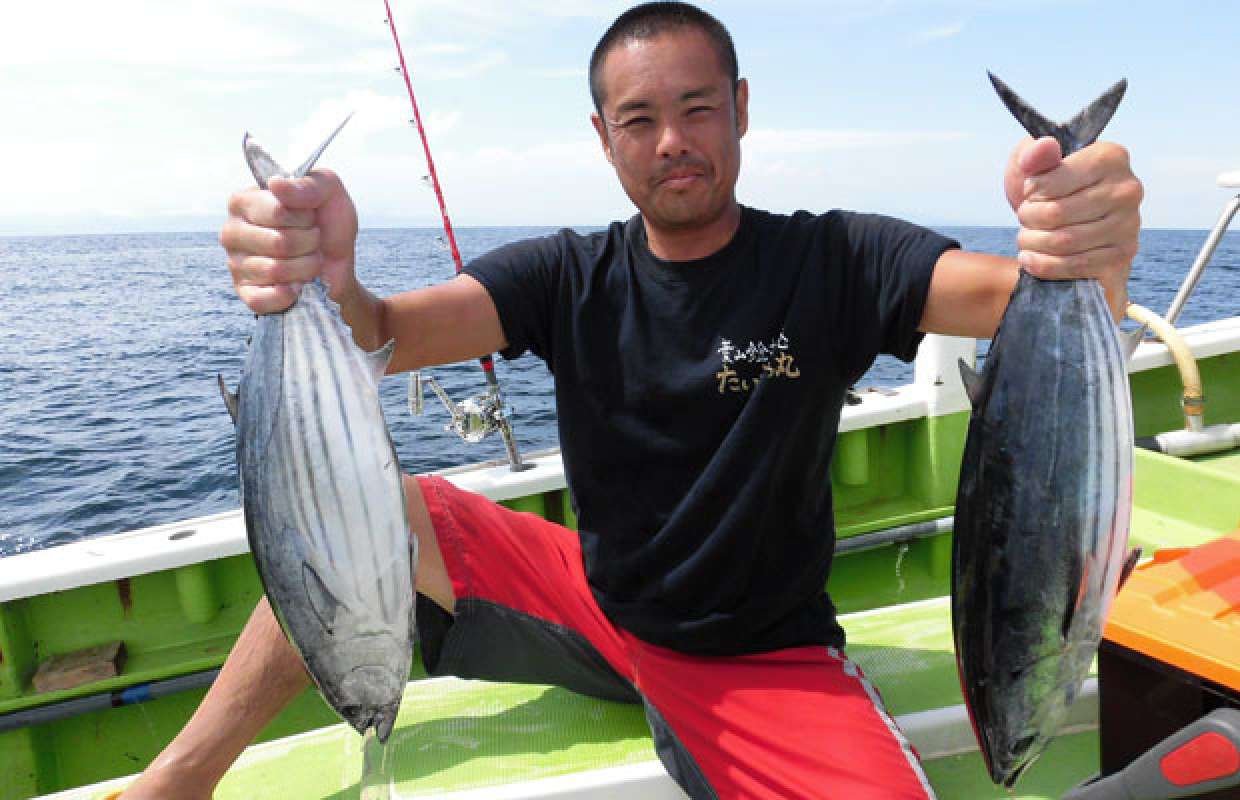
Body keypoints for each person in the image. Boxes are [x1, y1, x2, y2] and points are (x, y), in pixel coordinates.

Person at [120, 3, 1142, 798]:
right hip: (594, 599)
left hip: (759, 655)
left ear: (741, 107)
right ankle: (180, 773)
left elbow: (1033, 305)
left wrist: (1084, 240)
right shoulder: (565, 275)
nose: (672, 141)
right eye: (639, 119)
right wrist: (323, 275)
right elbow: (379, 332)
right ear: (603, 137)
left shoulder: (835, 258)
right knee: (365, 518)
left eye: (696, 108)